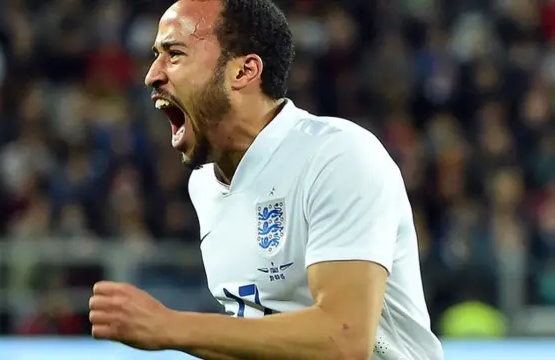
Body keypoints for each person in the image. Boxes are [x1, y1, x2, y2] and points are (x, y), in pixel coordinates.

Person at [88, 0, 444, 359]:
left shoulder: (336, 157)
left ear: (244, 71)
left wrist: (169, 326)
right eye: (155, 55)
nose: (152, 74)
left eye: (174, 53)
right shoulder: (205, 185)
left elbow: (344, 340)